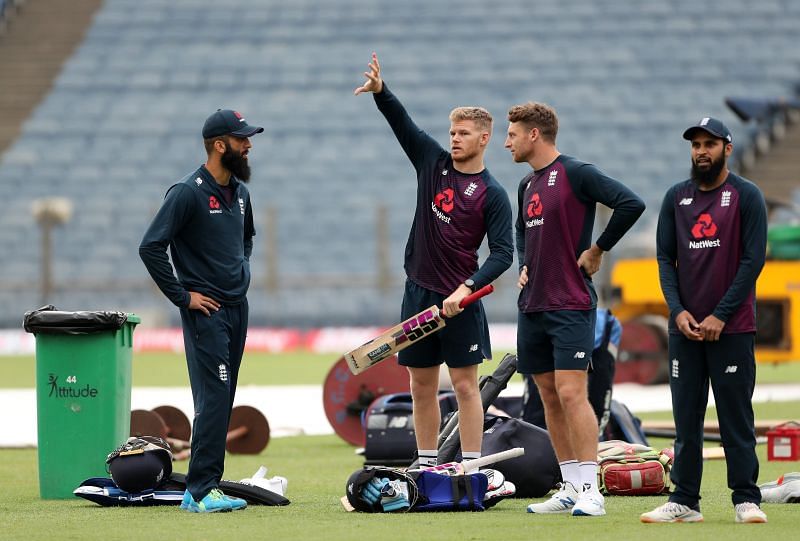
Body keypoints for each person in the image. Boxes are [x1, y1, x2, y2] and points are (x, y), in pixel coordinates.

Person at [355, 53, 513, 469]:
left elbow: (503, 254)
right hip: (418, 294)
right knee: (420, 385)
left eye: (463, 133)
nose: (454, 138)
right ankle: (425, 464)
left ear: (484, 139)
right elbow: (404, 126)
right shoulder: (432, 162)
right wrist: (381, 92)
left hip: (461, 302)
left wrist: (466, 289)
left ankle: (470, 465)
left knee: (465, 387)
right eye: (452, 131)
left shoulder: (492, 193)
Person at [505, 102, 645, 516]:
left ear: (534, 134)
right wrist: (524, 263)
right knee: (547, 395)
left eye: (512, 134)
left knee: (571, 392)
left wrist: (599, 248)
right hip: (532, 305)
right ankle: (569, 486)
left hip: (570, 303)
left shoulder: (576, 172)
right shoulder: (525, 185)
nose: (506, 142)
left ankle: (591, 491)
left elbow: (630, 203)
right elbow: (519, 230)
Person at [641, 117, 768, 524]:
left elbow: (752, 261)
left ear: (727, 148)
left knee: (735, 418)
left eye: (709, 143)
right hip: (685, 331)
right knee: (686, 420)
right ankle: (685, 501)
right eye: (695, 144)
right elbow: (665, 259)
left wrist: (720, 315)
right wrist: (676, 311)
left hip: (732, 329)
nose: (701, 151)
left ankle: (746, 499)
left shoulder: (746, 196)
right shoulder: (676, 198)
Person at [139, 109, 263, 513]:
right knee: (214, 396)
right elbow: (151, 246)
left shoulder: (241, 194)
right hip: (206, 313)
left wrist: (242, 269)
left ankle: (204, 486)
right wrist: (183, 296)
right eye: (242, 139)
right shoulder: (187, 192)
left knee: (222, 397)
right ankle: (200, 490)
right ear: (219, 145)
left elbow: (246, 241)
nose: (249, 145)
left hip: (236, 309)